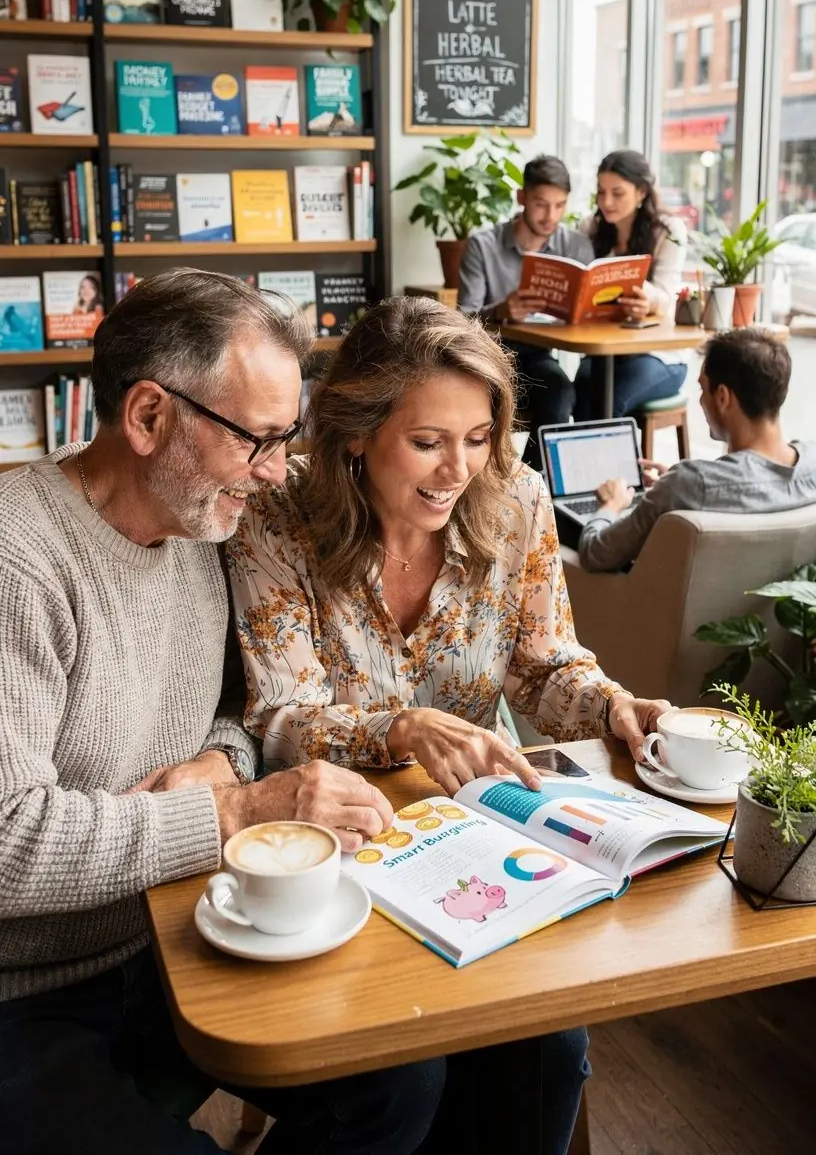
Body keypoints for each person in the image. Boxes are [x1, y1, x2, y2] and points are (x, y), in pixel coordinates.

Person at [0, 270, 445, 1155]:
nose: (278, 473)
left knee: (404, 1073)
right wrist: (233, 810)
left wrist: (226, 762)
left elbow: (232, 717)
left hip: (174, 937)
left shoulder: (202, 527)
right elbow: (8, 844)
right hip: (24, 989)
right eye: (259, 440)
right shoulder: (20, 559)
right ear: (149, 418)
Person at [229, 296, 670, 1155]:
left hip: (474, 840)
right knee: (409, 1073)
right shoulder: (277, 520)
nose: (457, 469)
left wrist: (616, 705)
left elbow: (545, 666)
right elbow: (279, 717)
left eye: (478, 438)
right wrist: (401, 728)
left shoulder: (518, 506)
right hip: (333, 849)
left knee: (551, 1048)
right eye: (427, 442)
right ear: (356, 431)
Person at [578, 327, 816, 572]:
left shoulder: (688, 485)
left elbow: (595, 553)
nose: (701, 400)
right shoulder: (811, 468)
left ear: (723, 397)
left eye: (703, 388)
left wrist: (611, 505)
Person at [458, 155, 593, 462]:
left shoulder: (576, 246)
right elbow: (464, 320)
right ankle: (513, 489)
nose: (551, 215)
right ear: (522, 198)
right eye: (541, 204)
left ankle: (534, 491)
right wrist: (501, 310)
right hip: (489, 358)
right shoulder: (483, 245)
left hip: (538, 355)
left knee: (561, 391)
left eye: (560, 205)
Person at [573, 150, 688, 421]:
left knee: (607, 404)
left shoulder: (668, 230)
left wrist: (649, 300)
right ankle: (581, 465)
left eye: (617, 193)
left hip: (659, 356)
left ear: (641, 192)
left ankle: (619, 465)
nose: (606, 201)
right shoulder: (589, 227)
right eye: (601, 192)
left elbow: (668, 296)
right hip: (604, 352)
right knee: (579, 398)